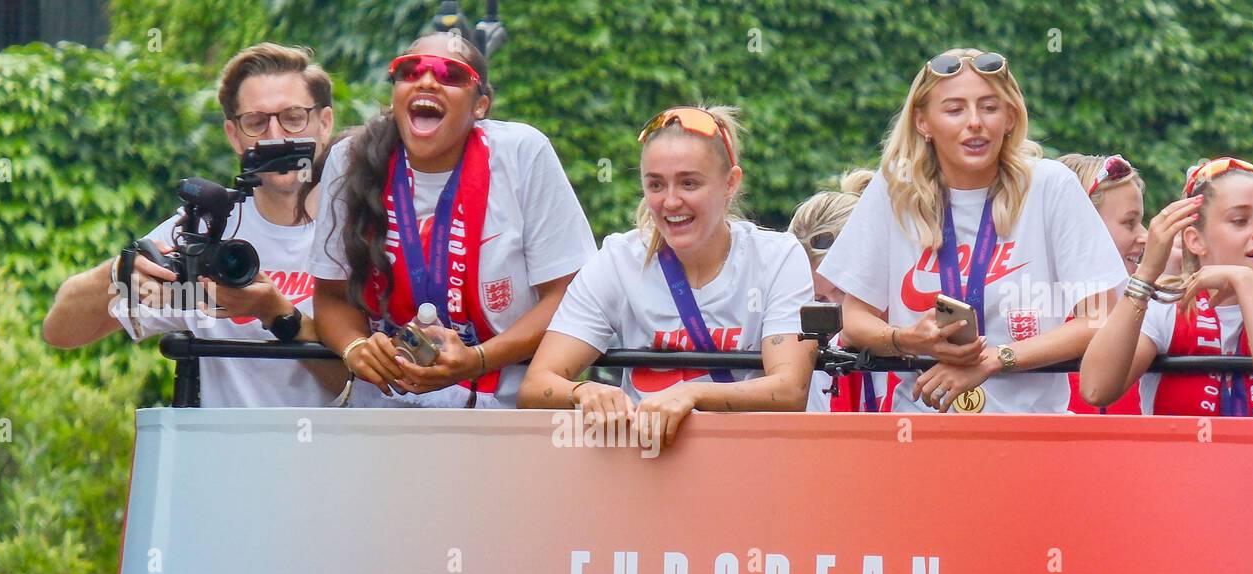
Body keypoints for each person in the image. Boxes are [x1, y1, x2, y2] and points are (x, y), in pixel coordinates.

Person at [817, 49, 1130, 414]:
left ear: (1010, 117)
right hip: (918, 433)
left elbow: (1099, 318)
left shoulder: (1050, 185)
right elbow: (854, 321)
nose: (975, 122)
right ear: (922, 122)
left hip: (1030, 436)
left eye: (989, 107)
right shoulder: (893, 189)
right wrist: (906, 339)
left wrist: (997, 359)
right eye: (954, 110)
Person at [43, 43, 346, 407]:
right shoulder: (204, 229)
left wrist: (275, 312)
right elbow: (60, 330)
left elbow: (364, 386)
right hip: (222, 456)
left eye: (293, 118)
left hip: (330, 457)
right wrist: (117, 274)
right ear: (234, 136)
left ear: (324, 123)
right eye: (256, 122)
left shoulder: (358, 225)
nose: (276, 136)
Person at [308, 32, 595, 408]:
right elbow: (330, 296)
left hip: (501, 408)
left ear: (481, 106)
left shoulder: (522, 153)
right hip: (383, 409)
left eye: (451, 75)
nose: (427, 81)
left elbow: (569, 294)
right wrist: (356, 347)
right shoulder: (350, 160)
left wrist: (478, 360)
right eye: (409, 72)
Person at [517, 105, 817, 448]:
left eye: (689, 183)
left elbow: (790, 389)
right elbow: (536, 385)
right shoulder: (618, 259)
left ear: (731, 183)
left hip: (748, 466)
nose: (670, 201)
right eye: (655, 185)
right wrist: (586, 391)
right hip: (649, 473)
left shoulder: (778, 256)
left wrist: (691, 394)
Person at [1080, 157, 1253, 416]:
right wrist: (1147, 272)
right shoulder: (1167, 307)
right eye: (1240, 221)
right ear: (1195, 241)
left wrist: (1245, 283)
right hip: (1180, 458)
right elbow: (1096, 389)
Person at [787, 169, 898, 412]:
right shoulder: (806, 358)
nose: (839, 316)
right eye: (819, 301)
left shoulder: (924, 333)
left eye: (846, 293)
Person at [1057, 152, 1147, 414]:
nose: (1145, 236)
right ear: (1082, 227)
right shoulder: (1034, 309)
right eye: (1130, 223)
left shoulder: (1147, 305)